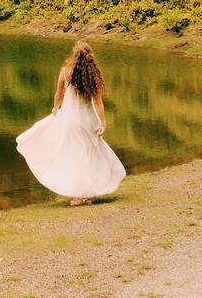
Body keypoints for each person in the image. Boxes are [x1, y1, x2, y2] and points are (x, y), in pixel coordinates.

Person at [15, 40, 126, 205]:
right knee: (89, 154)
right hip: (88, 121)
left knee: (75, 155)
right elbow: (97, 102)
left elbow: (58, 95)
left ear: (74, 55)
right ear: (90, 57)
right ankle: (88, 192)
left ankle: (82, 194)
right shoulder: (92, 74)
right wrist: (102, 122)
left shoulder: (66, 71)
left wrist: (55, 109)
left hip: (70, 120)